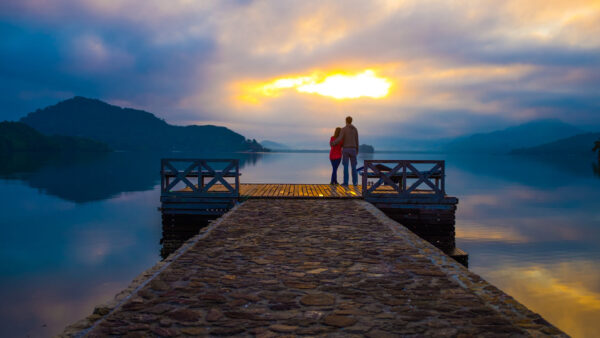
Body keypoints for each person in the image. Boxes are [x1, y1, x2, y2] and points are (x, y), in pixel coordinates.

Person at [331, 116, 359, 186]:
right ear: (351, 121)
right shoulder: (355, 129)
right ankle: (355, 183)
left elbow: (340, 138)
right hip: (353, 149)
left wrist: (333, 142)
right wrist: (357, 150)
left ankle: (346, 183)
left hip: (346, 149)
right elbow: (357, 140)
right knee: (354, 167)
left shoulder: (344, 129)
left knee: (346, 166)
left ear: (346, 121)